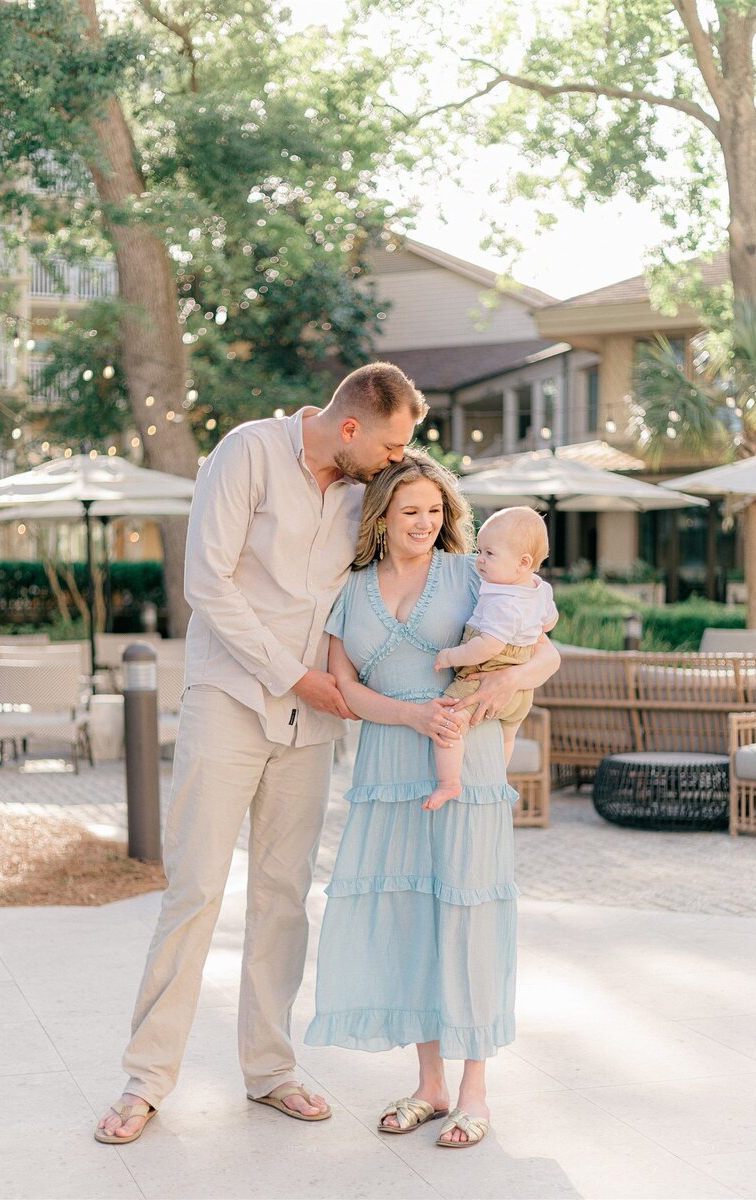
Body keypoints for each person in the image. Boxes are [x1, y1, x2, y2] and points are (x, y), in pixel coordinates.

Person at [95, 362, 430, 1144]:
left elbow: (413, 549)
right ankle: (147, 1079)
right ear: (350, 427)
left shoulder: (363, 490)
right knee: (196, 889)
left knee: (283, 897)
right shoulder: (246, 453)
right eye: (389, 443)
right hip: (230, 702)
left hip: (313, 724)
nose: (394, 458)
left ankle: (270, 1070)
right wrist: (293, 677)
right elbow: (205, 582)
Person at [305, 450, 560, 1148]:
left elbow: (544, 650)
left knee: (468, 914)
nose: (426, 522)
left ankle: (475, 1091)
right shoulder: (350, 589)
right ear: (382, 516)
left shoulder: (470, 571)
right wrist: (410, 716)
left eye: (436, 510)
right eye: (411, 510)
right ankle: (430, 1084)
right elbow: (343, 687)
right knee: (411, 917)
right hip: (389, 764)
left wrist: (509, 685)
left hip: (466, 760)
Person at [425, 506, 558, 810]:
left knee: (449, 722)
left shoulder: (502, 602)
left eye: (489, 554)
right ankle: (499, 777)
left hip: (487, 669)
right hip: (523, 690)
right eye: (480, 550)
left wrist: (449, 656)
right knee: (507, 736)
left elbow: (486, 648)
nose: (480, 560)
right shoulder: (540, 589)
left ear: (522, 563)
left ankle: (448, 782)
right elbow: (549, 622)